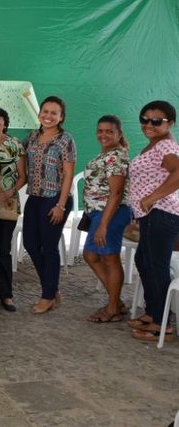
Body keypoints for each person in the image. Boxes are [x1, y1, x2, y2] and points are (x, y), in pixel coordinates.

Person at [128, 101, 179, 342]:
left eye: (156, 121)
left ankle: (163, 325)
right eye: (144, 119)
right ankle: (153, 312)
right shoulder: (154, 145)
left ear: (170, 123)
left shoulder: (166, 146)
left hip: (162, 213)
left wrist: (152, 198)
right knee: (144, 261)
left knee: (156, 265)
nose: (149, 124)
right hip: (150, 215)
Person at [22, 96, 76, 314]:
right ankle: (52, 290)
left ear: (61, 117)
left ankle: (47, 296)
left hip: (55, 199)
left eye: (54, 113)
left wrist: (61, 205)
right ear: (39, 113)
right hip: (35, 197)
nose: (49, 116)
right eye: (45, 111)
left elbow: (69, 174)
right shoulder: (32, 137)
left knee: (49, 247)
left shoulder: (65, 139)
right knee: (30, 244)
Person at [82, 115, 131, 323]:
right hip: (98, 213)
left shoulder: (116, 157)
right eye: (100, 131)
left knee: (109, 258)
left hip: (110, 213)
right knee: (91, 255)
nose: (104, 135)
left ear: (119, 134)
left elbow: (116, 193)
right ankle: (116, 302)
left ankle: (113, 308)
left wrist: (103, 224)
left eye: (109, 131)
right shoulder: (106, 154)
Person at [0, 107, 26, 311]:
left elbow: (22, 176)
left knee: (3, 250)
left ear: (5, 122)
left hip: (7, 203)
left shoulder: (14, 144)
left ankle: (6, 295)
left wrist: (10, 192)